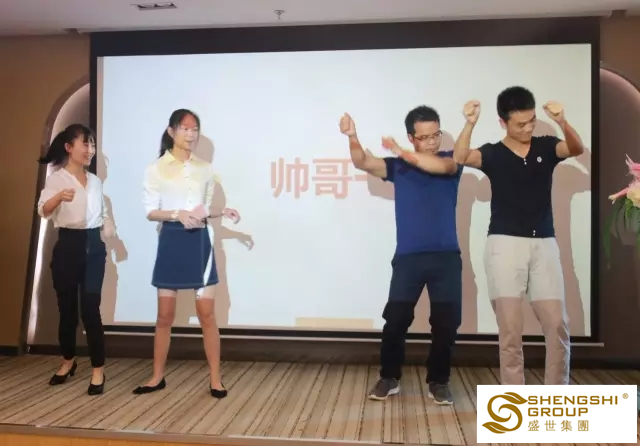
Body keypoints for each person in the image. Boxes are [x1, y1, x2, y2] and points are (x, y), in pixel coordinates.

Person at [452, 86, 585, 385]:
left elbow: (575, 149)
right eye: (520, 124)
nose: (527, 128)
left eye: (531, 121)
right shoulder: (493, 153)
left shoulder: (546, 147)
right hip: (504, 245)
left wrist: (562, 121)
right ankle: (515, 399)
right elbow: (460, 156)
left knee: (557, 324)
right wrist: (469, 123)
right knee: (510, 330)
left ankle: (556, 395)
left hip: (544, 244)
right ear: (503, 122)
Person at [340, 106, 463, 405]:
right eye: (424, 137)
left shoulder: (451, 160)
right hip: (409, 257)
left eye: (435, 135)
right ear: (412, 137)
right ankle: (389, 377)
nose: (431, 142)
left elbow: (437, 166)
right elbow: (362, 161)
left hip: (446, 257)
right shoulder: (399, 167)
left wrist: (400, 151)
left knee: (446, 323)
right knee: (395, 319)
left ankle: (439, 381)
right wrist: (353, 136)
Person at [134, 108, 240, 398]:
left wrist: (222, 211)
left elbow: (203, 209)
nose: (190, 134)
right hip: (171, 241)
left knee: (207, 314)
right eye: (185, 128)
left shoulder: (205, 168)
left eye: (195, 129)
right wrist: (177, 214)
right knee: (164, 315)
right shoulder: (155, 168)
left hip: (199, 243)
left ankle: (216, 379)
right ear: (171, 131)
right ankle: (157, 376)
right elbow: (150, 211)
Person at [37, 124, 115, 396]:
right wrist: (59, 197)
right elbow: (43, 210)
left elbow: (101, 213)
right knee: (67, 311)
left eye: (92, 144)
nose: (90, 149)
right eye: (85, 144)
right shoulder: (57, 179)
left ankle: (98, 369)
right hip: (68, 246)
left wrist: (108, 227)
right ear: (69, 148)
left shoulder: (95, 181)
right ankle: (68, 361)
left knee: (91, 310)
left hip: (93, 248)